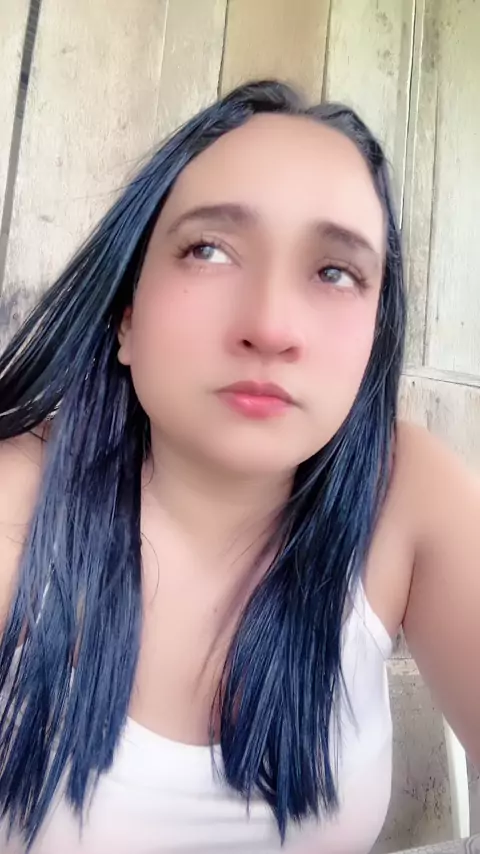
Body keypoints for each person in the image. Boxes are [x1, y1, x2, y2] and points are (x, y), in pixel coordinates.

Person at [0, 80, 478, 854]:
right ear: (126, 316)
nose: (271, 325)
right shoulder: (18, 500)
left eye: (335, 272)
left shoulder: (408, 493)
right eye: (209, 250)